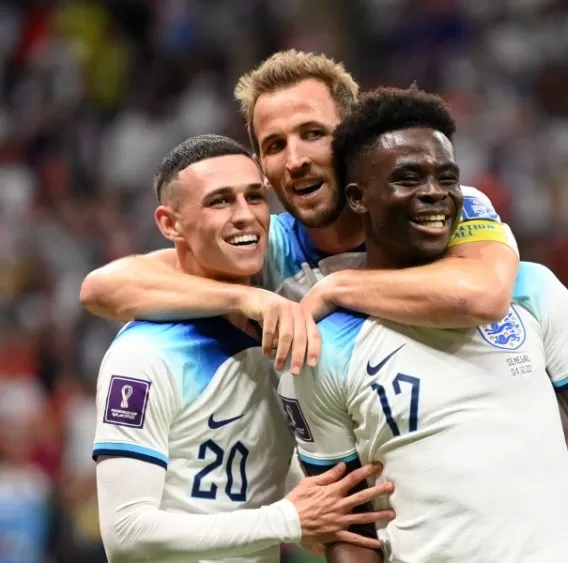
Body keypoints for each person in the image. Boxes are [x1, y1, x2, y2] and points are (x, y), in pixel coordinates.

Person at [277, 87, 568, 563]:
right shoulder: (324, 347)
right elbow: (349, 528)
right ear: (358, 198)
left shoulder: (530, 290)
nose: (434, 192)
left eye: (447, 177)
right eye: (408, 178)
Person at [78, 50, 520, 374]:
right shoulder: (265, 249)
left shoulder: (434, 205)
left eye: (313, 134)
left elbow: (481, 295)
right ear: (263, 170)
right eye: (275, 145)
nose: (295, 160)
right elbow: (102, 288)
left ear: (352, 140)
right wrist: (247, 298)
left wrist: (337, 288)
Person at [92, 134, 395, 563]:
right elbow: (126, 533)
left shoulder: (279, 339)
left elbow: (252, 483)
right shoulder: (143, 354)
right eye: (219, 201)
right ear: (170, 224)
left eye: (254, 197)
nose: (245, 216)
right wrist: (287, 520)